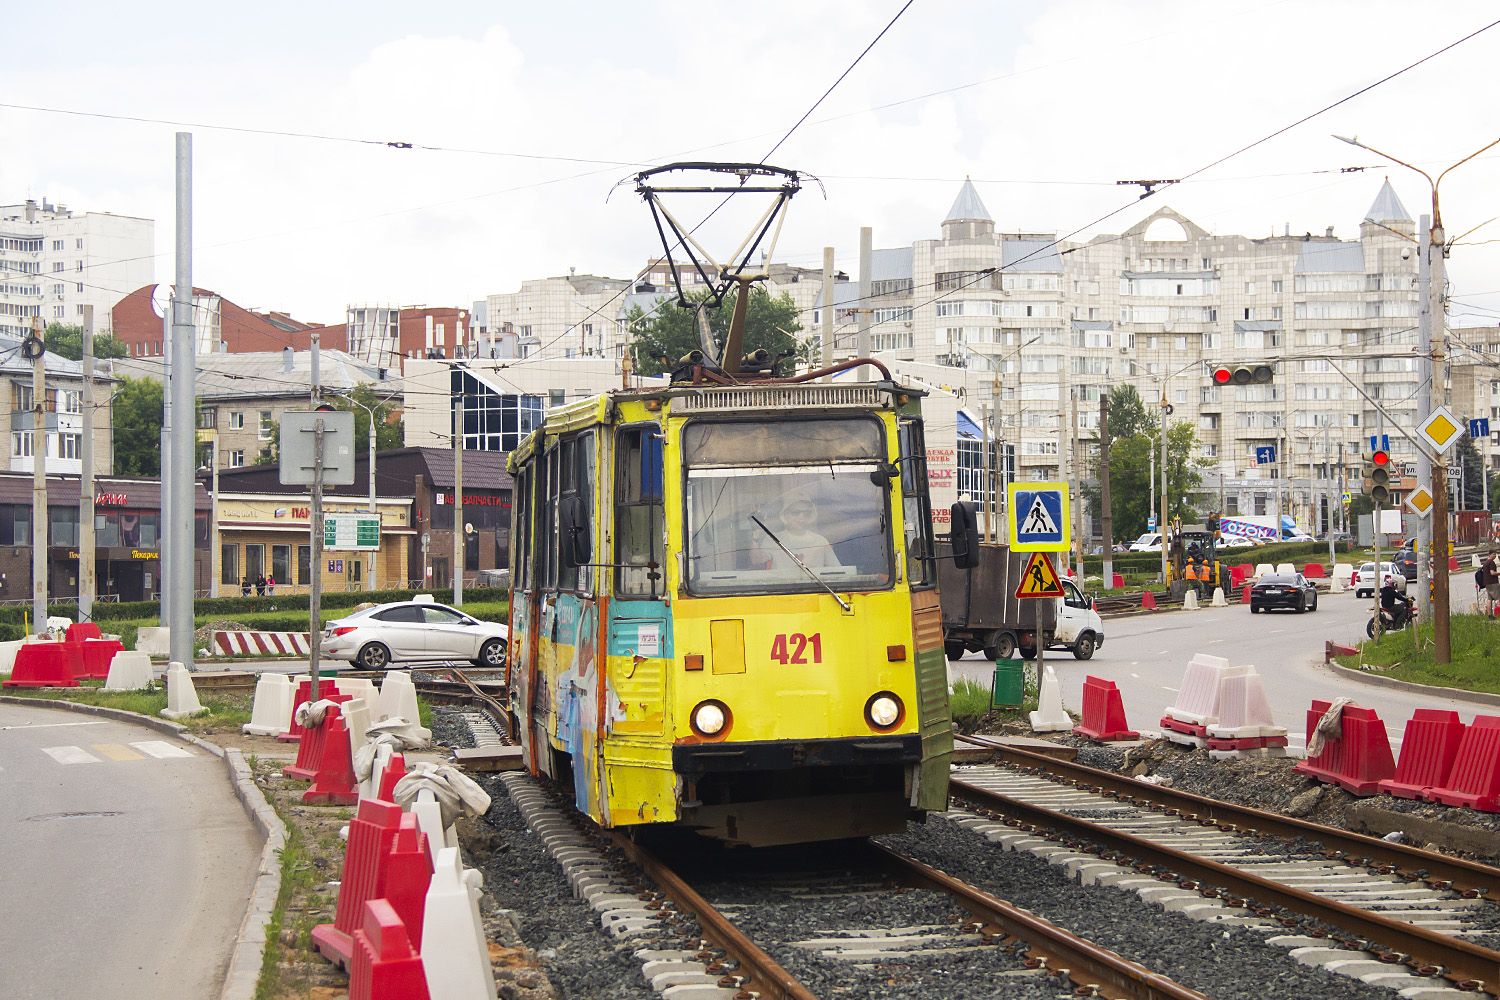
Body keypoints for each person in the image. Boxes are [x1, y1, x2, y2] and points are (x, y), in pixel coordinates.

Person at [755, 497, 836, 572]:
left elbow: (836, 570)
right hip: (782, 586)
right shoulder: (773, 539)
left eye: (806, 513)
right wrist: (754, 539)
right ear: (786, 515)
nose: (801, 517)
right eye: (796, 512)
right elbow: (757, 560)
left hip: (815, 587)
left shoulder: (820, 541)